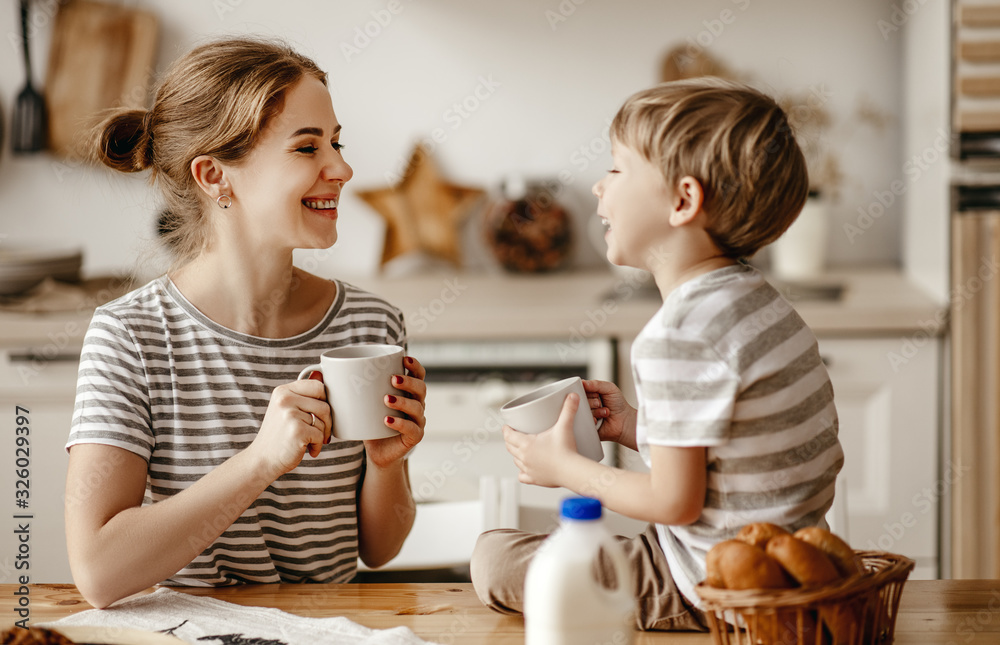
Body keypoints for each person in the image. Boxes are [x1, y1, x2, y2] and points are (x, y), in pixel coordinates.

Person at [64, 37, 426, 609]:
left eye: (335, 142)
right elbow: (99, 573)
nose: (342, 168)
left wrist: (389, 464)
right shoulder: (131, 336)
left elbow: (380, 549)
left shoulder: (370, 324)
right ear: (214, 175)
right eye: (307, 148)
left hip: (332, 630)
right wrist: (261, 461)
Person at [470, 77, 844, 631]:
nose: (598, 188)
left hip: (701, 584)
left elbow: (675, 503)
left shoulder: (678, 334)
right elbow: (733, 460)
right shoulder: (757, 300)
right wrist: (633, 428)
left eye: (617, 168)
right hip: (771, 571)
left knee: (493, 557)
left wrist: (565, 468)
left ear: (683, 200)